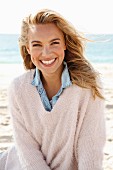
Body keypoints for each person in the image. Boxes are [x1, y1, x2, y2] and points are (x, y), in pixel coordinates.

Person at [0, 8, 106, 170]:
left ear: (65, 44)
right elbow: (26, 149)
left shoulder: (88, 84)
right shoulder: (18, 88)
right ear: (28, 49)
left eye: (54, 42)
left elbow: (90, 147)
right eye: (37, 44)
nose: (46, 52)